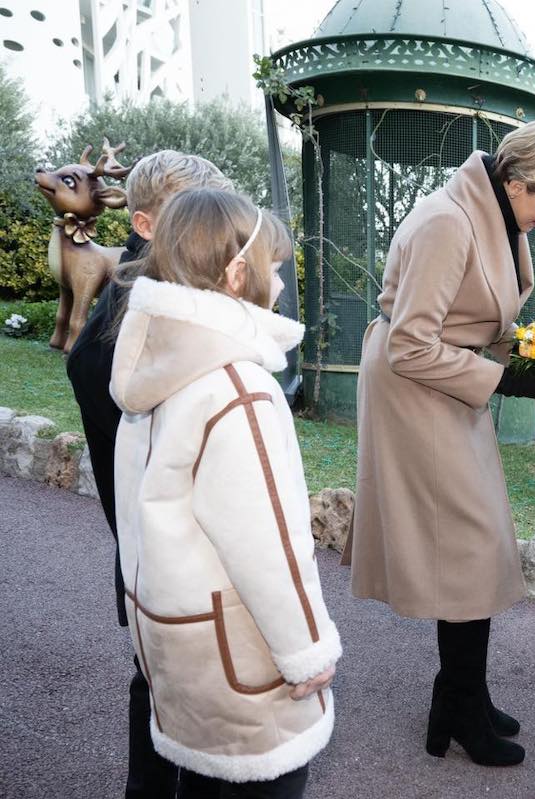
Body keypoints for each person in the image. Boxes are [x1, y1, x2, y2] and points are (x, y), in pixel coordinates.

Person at [344, 120, 535, 768]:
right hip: (414, 391)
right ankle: (457, 703)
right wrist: (504, 375)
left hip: (451, 384)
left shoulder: (497, 215)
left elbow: (477, 317)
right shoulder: (446, 223)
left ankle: (462, 696)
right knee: (467, 542)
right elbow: (409, 344)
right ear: (516, 182)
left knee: (474, 544)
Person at [108, 188, 341, 796]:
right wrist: (308, 652)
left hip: (179, 638)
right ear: (239, 274)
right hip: (241, 650)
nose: (282, 284)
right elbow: (268, 541)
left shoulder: (162, 369)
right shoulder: (236, 386)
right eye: (275, 269)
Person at [63, 150, 233, 799]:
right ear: (144, 221)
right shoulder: (137, 309)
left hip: (168, 543)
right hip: (169, 543)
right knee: (186, 695)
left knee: (172, 687)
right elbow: (88, 368)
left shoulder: (169, 292)